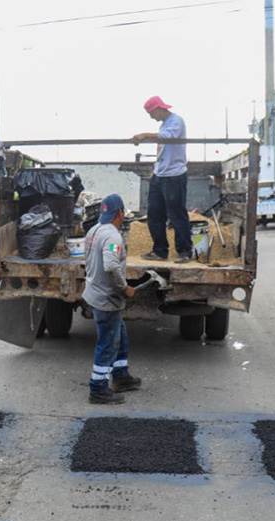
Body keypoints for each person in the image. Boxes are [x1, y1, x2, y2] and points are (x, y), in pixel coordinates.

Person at [83, 194, 143, 404]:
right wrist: (124, 287)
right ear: (120, 212)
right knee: (108, 342)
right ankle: (98, 388)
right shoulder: (113, 237)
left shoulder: (93, 231)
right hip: (106, 297)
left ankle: (121, 376)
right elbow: (110, 266)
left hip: (94, 291)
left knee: (120, 335)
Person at [132, 96, 190, 263]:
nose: (151, 116)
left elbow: (165, 137)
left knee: (176, 214)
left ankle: (185, 251)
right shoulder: (164, 123)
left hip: (174, 175)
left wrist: (144, 135)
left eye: (151, 113)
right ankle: (160, 251)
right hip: (160, 174)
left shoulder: (176, 121)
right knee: (155, 214)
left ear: (159, 108)